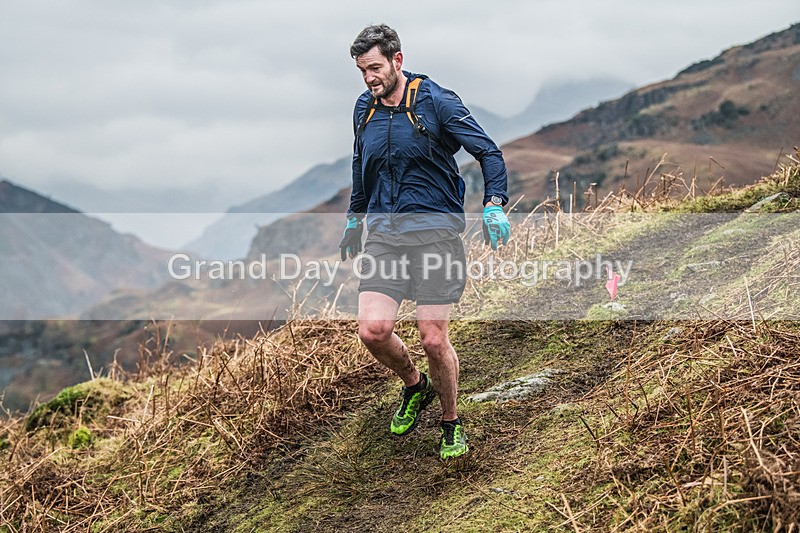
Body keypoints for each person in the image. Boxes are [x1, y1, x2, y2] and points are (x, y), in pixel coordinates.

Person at [339, 23, 510, 460]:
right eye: (361, 71)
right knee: (373, 332)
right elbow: (362, 166)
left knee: (434, 339)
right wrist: (355, 220)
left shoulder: (436, 102)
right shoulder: (364, 109)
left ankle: (451, 420)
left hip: (435, 234)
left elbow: (488, 152)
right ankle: (416, 386)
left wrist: (494, 203)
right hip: (385, 236)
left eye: (375, 68)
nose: (369, 79)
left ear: (397, 60)